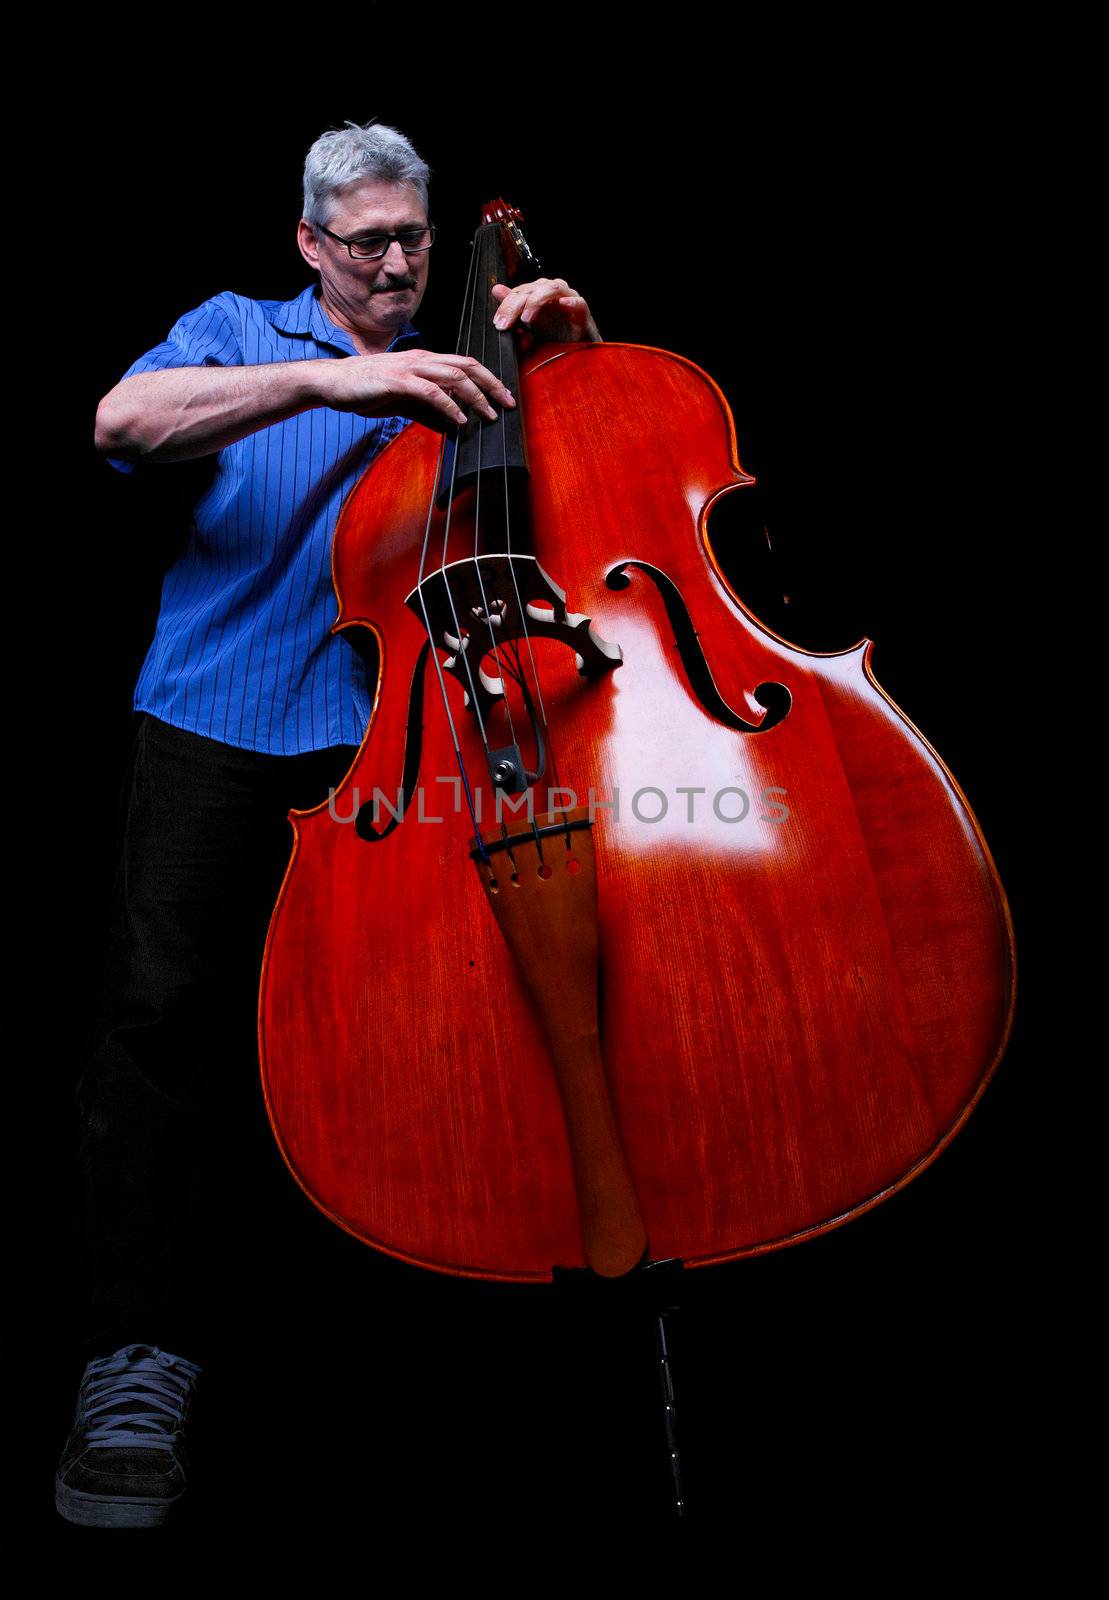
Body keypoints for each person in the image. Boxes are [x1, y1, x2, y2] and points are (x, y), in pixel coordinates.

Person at [55, 119, 600, 1529]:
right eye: (363, 244)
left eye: (411, 240)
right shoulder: (241, 330)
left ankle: (433, 1311)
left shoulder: (475, 344)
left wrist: (573, 361)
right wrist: (339, 377)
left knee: (425, 1026)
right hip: (221, 722)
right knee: (164, 1026)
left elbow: (599, 505)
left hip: (404, 746)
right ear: (309, 243)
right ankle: (137, 1356)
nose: (396, 267)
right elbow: (121, 422)